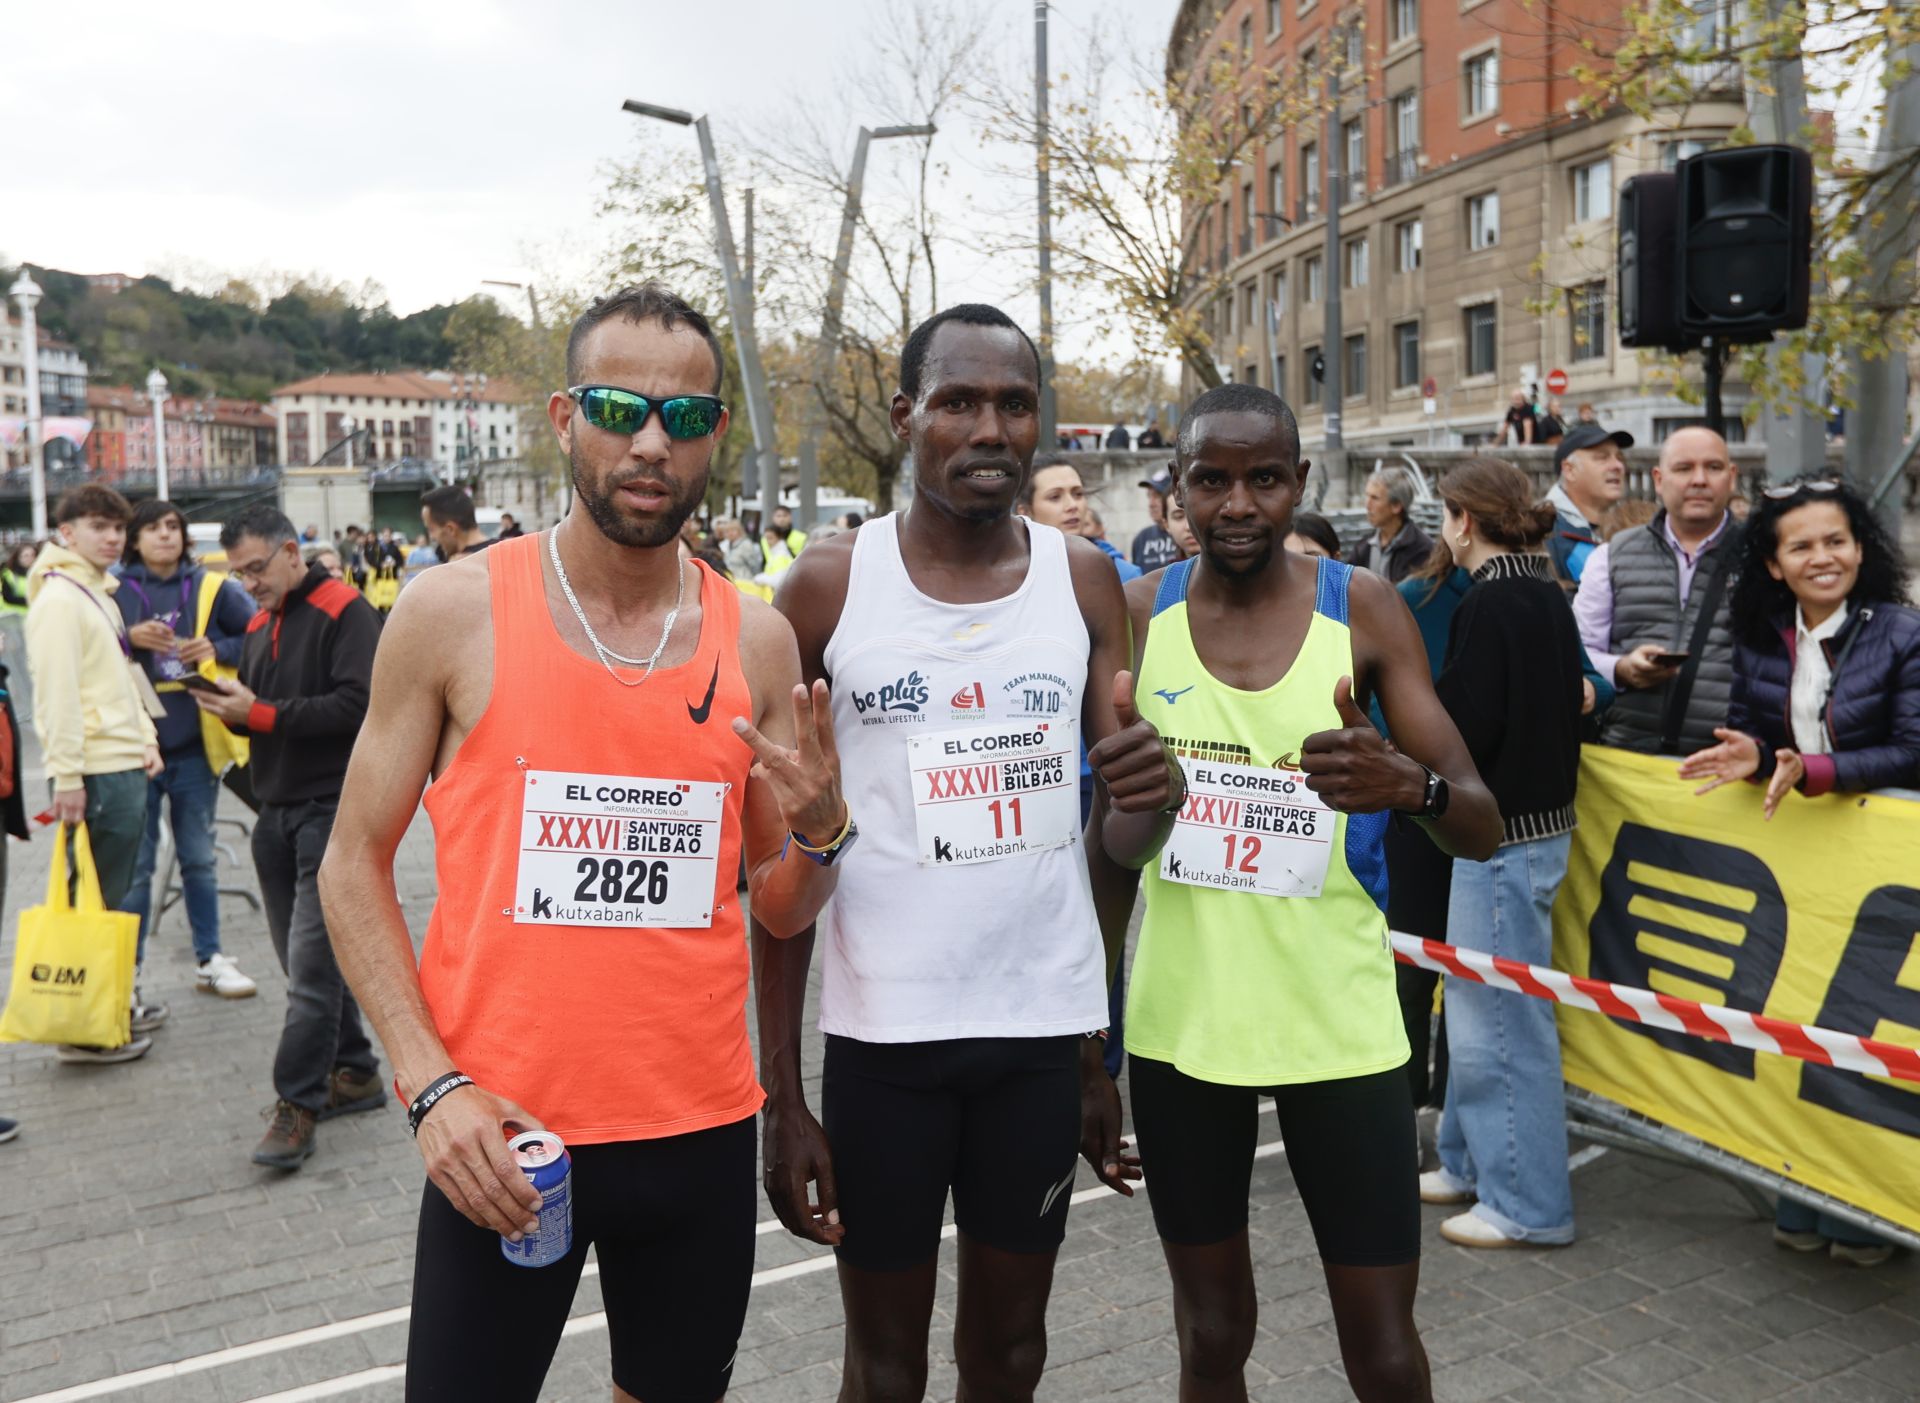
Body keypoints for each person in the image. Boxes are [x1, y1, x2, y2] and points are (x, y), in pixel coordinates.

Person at [320, 282, 850, 1402]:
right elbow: (350, 863)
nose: (653, 442)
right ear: (564, 419)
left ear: (717, 439)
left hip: (697, 1134)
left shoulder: (755, 637)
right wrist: (428, 1087)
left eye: (689, 418)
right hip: (503, 1134)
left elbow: (778, 901)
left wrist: (826, 832)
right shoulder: (451, 611)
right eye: (620, 407)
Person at [759, 302, 1180, 1403]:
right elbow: (778, 866)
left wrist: (1155, 796)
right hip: (885, 1046)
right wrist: (781, 1096)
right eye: (958, 402)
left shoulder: (1082, 578)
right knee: (883, 1367)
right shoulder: (828, 585)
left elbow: (1112, 843)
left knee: (1010, 1353)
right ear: (907, 417)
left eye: (1013, 403)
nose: (989, 427)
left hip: (1038, 1043)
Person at [1114, 383, 1502, 1400]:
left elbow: (1478, 819)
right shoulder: (1138, 613)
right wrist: (1088, 1038)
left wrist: (1404, 785)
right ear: (1177, 491)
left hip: (1340, 1023)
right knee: (1209, 1337)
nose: (1238, 502)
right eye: (1212, 479)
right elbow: (1110, 844)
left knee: (1380, 1347)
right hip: (1180, 1022)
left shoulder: (1359, 607)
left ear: (1300, 483)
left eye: (1264, 478)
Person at [1418, 458, 1591, 1250]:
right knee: (1479, 1005)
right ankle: (1465, 1161)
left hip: (1502, 835)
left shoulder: (1493, 601)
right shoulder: (1545, 592)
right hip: (1532, 827)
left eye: (1444, 517)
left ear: (1461, 519)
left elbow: (1465, 724)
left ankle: (1526, 1201)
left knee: (1497, 1018)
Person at [191, 505, 384, 1168]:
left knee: (309, 971)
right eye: (237, 571)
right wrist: (232, 708)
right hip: (274, 814)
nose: (248, 581)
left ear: (292, 550)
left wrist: (260, 712)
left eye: (255, 567)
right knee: (307, 967)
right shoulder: (257, 621)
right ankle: (354, 1071)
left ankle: (297, 1103)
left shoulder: (345, 609)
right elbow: (265, 711)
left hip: (331, 814)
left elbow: (361, 707)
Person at [1680, 476, 1920, 814]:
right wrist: (1758, 756)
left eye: (1836, 541)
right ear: (1774, 565)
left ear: (1859, 549)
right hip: (1797, 843)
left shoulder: (1907, 635)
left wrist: (1812, 770)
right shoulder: (1758, 636)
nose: (1822, 558)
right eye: (1801, 547)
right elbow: (1751, 732)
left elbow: (1912, 753)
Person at [26, 485, 166, 1064]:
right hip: (97, 771)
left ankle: (108, 1004)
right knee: (99, 897)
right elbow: (56, 697)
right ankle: (83, 1027)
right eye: (98, 527)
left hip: (121, 760)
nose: (112, 537)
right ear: (67, 533)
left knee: (113, 893)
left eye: (117, 528)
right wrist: (65, 778)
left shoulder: (95, 593)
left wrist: (146, 738)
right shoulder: (61, 600)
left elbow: (120, 675)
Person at [115, 499, 259, 1000]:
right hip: (133, 749)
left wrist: (216, 649)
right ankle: (125, 977)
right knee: (138, 867)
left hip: (195, 748)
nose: (165, 536)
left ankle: (210, 958)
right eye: (153, 528)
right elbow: (88, 652)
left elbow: (259, 636)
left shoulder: (211, 586)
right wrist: (127, 638)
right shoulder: (112, 590)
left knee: (199, 858)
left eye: (173, 526)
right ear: (134, 538)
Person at [1573, 427, 1740, 755]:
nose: (1699, 480)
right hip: (1627, 762)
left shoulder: (1764, 558)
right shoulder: (1612, 555)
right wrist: (1621, 669)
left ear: (1732, 477)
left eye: (1714, 467)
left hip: (1728, 764)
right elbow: (1577, 653)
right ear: (1659, 479)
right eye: (1684, 468)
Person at [1018, 458, 1141, 583]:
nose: (1072, 505)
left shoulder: (1122, 574)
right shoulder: (1008, 575)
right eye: (1055, 497)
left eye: (1078, 494)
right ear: (1025, 512)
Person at [1545, 423, 1632, 585]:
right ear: (1569, 470)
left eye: (1619, 458)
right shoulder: (1545, 534)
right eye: (1602, 458)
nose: (1618, 466)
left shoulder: (1630, 529)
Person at [1347, 467, 1434, 583]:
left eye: (1375, 498)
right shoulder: (1363, 547)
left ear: (1396, 506)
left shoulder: (1422, 550)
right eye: (1367, 496)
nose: (1367, 505)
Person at [0, 542, 35, 721]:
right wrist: (29, 600)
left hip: (31, 626)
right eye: (25, 556)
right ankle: (24, 705)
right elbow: (8, 597)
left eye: (31, 555)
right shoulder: (8, 575)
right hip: (10, 625)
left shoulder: (38, 573)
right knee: (16, 668)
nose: (29, 559)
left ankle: (32, 703)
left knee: (29, 667)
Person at [421, 485, 495, 562]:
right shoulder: (503, 554)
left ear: (450, 529)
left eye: (431, 529)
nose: (431, 537)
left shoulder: (458, 567)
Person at [1131, 467, 1182, 571]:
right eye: (1149, 496)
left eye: (1158, 496)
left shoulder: (1187, 533)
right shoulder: (1142, 538)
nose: (1151, 504)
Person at [715, 515, 764, 581]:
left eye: (733, 530)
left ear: (740, 531)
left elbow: (754, 566)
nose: (730, 533)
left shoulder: (746, 545)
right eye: (727, 531)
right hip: (733, 581)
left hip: (745, 582)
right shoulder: (726, 545)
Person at [1165, 493, 1200, 559]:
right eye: (1179, 516)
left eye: (1197, 515)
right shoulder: (1170, 569)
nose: (1188, 527)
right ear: (1166, 524)